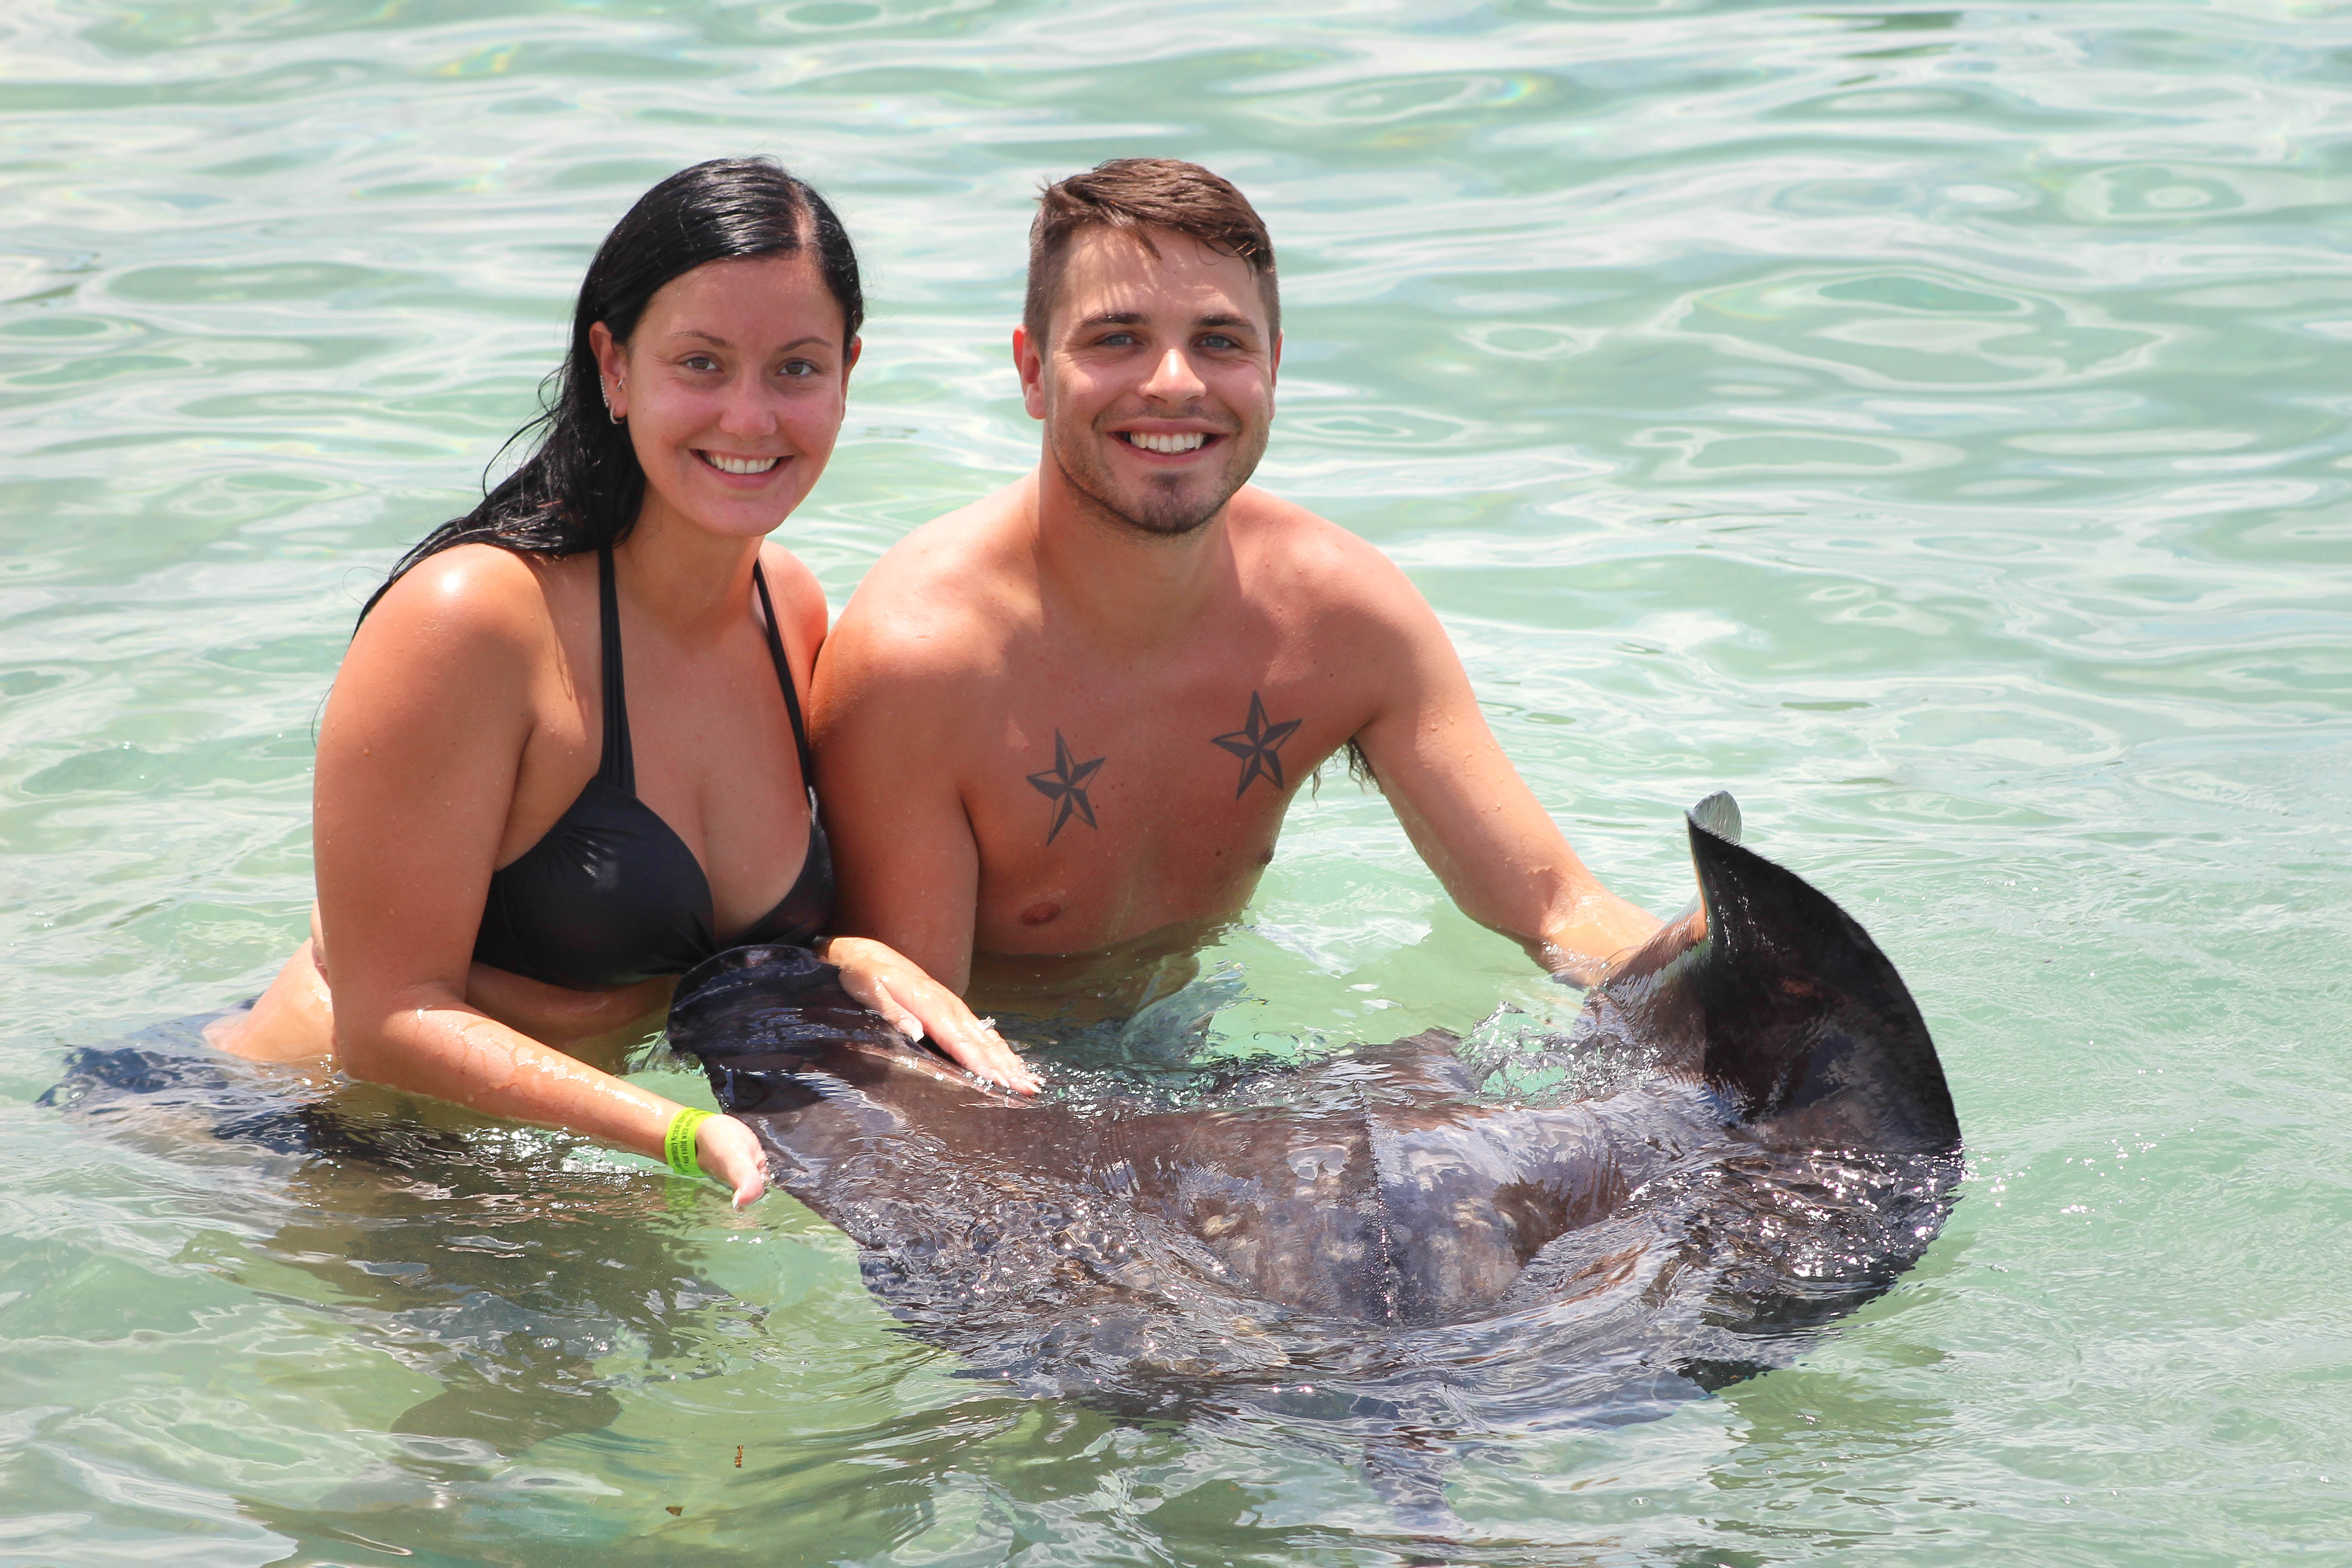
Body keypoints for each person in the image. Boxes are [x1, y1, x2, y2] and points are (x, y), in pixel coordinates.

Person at [209, 158, 1039, 1207]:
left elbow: (708, 953)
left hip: (529, 1162)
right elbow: (388, 1022)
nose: (750, 418)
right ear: (613, 366)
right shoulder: (475, 620)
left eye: (796, 369)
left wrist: (850, 954)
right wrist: (683, 1133)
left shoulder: (790, 614)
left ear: (848, 372)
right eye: (701, 363)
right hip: (303, 1145)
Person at [811, 158, 1672, 1017]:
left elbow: (1558, 911)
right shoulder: (922, 661)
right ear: (1033, 372)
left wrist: (1716, 970)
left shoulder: (1338, 617)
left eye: (1220, 342)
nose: (1176, 383)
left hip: (1200, 1044)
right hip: (1011, 1088)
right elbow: (917, 1060)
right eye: (1117, 339)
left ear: (1274, 369)